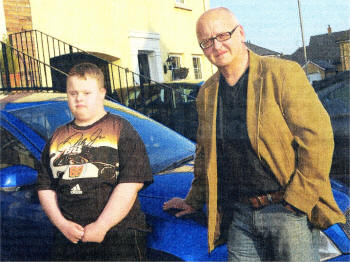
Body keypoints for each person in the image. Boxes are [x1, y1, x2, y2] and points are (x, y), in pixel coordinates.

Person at [163, 7, 345, 262]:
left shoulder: (282, 74)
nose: (216, 46)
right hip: (240, 215)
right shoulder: (207, 93)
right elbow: (205, 153)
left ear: (241, 34)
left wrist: (298, 200)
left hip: (287, 212)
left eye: (223, 35)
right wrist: (194, 199)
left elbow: (318, 138)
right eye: (206, 41)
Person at [37, 62, 153, 261]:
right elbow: (45, 187)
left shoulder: (121, 129)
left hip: (118, 237)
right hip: (70, 240)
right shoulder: (57, 137)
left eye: (86, 93)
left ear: (101, 93)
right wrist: (62, 225)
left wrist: (102, 226)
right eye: (72, 93)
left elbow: (131, 184)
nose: (79, 98)